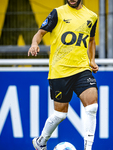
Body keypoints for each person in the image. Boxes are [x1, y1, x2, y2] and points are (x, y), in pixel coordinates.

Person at [28, 0, 98, 150]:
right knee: (60, 115)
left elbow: (91, 40)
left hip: (81, 69)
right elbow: (40, 33)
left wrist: (92, 60)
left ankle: (88, 147)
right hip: (60, 71)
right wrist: (35, 44)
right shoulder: (57, 13)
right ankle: (41, 142)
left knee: (92, 106)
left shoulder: (92, 17)